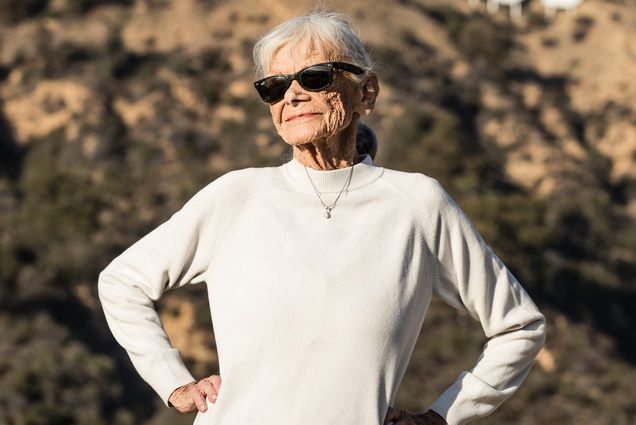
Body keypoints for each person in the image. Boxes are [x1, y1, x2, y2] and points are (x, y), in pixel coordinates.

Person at [98, 11, 546, 425]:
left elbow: (520, 326)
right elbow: (122, 282)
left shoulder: (416, 204)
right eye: (274, 86)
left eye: (314, 77)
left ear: (365, 93)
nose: (292, 94)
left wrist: (444, 416)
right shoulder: (237, 196)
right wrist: (174, 382)